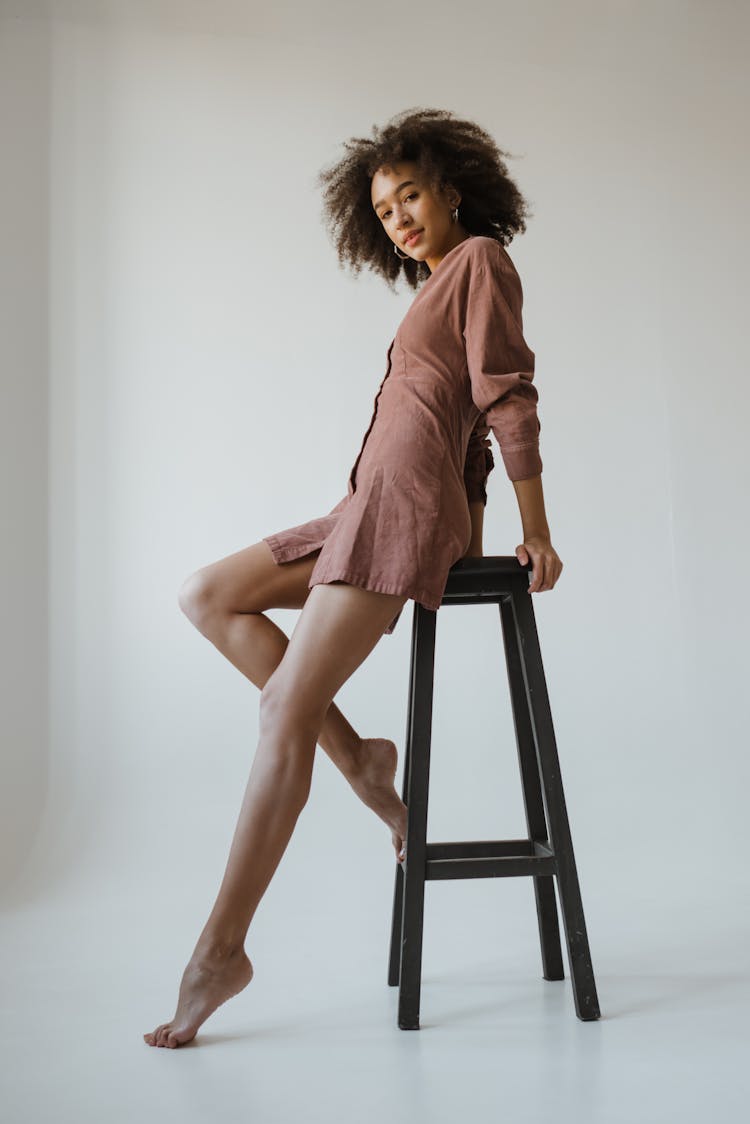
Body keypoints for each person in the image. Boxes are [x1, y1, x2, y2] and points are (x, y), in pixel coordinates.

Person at [143, 107, 563, 1049]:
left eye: (409, 194)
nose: (399, 217)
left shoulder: (482, 261)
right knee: (206, 595)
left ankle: (221, 951)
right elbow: (466, 452)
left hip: (400, 517)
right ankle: (365, 764)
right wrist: (468, 534)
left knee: (280, 709)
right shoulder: (433, 286)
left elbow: (506, 399)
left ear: (451, 188)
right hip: (372, 510)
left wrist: (529, 537)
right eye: (382, 209)